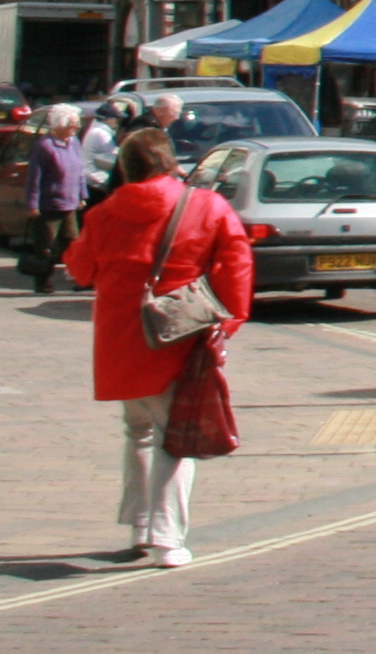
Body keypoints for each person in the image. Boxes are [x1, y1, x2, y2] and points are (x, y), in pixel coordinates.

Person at [67, 127, 252, 568]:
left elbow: (78, 269)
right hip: (178, 334)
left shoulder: (106, 212)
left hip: (120, 337)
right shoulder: (206, 206)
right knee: (175, 436)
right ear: (170, 162)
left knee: (138, 430)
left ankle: (140, 525)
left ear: (125, 168)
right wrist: (228, 323)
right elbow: (236, 261)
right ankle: (168, 540)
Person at [25, 104, 88, 290]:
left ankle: (80, 279)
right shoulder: (44, 146)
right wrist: (32, 204)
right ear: (61, 124)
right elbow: (34, 178)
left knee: (74, 244)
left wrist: (82, 195)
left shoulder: (74, 142)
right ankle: (42, 281)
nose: (77, 128)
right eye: (73, 125)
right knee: (46, 246)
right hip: (49, 205)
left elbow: (80, 171)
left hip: (70, 203)